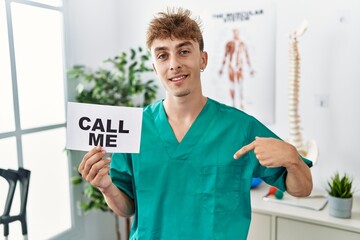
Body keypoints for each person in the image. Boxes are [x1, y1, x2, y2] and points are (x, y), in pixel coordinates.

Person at [78, 7, 313, 240]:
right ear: (154, 68)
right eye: (162, 55)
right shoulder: (135, 128)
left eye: (183, 51)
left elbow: (302, 189)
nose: (173, 64)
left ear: (203, 59)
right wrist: (106, 187)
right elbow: (127, 208)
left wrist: (292, 158)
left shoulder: (240, 129)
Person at [219, 28, 255, 110]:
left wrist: (250, 68)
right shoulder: (229, 43)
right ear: (233, 33)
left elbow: (246, 56)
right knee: (232, 85)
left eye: (237, 32)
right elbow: (225, 56)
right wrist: (222, 68)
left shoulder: (242, 43)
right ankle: (233, 103)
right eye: (234, 32)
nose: (236, 34)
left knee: (240, 85)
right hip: (231, 66)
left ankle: (241, 103)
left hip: (239, 66)